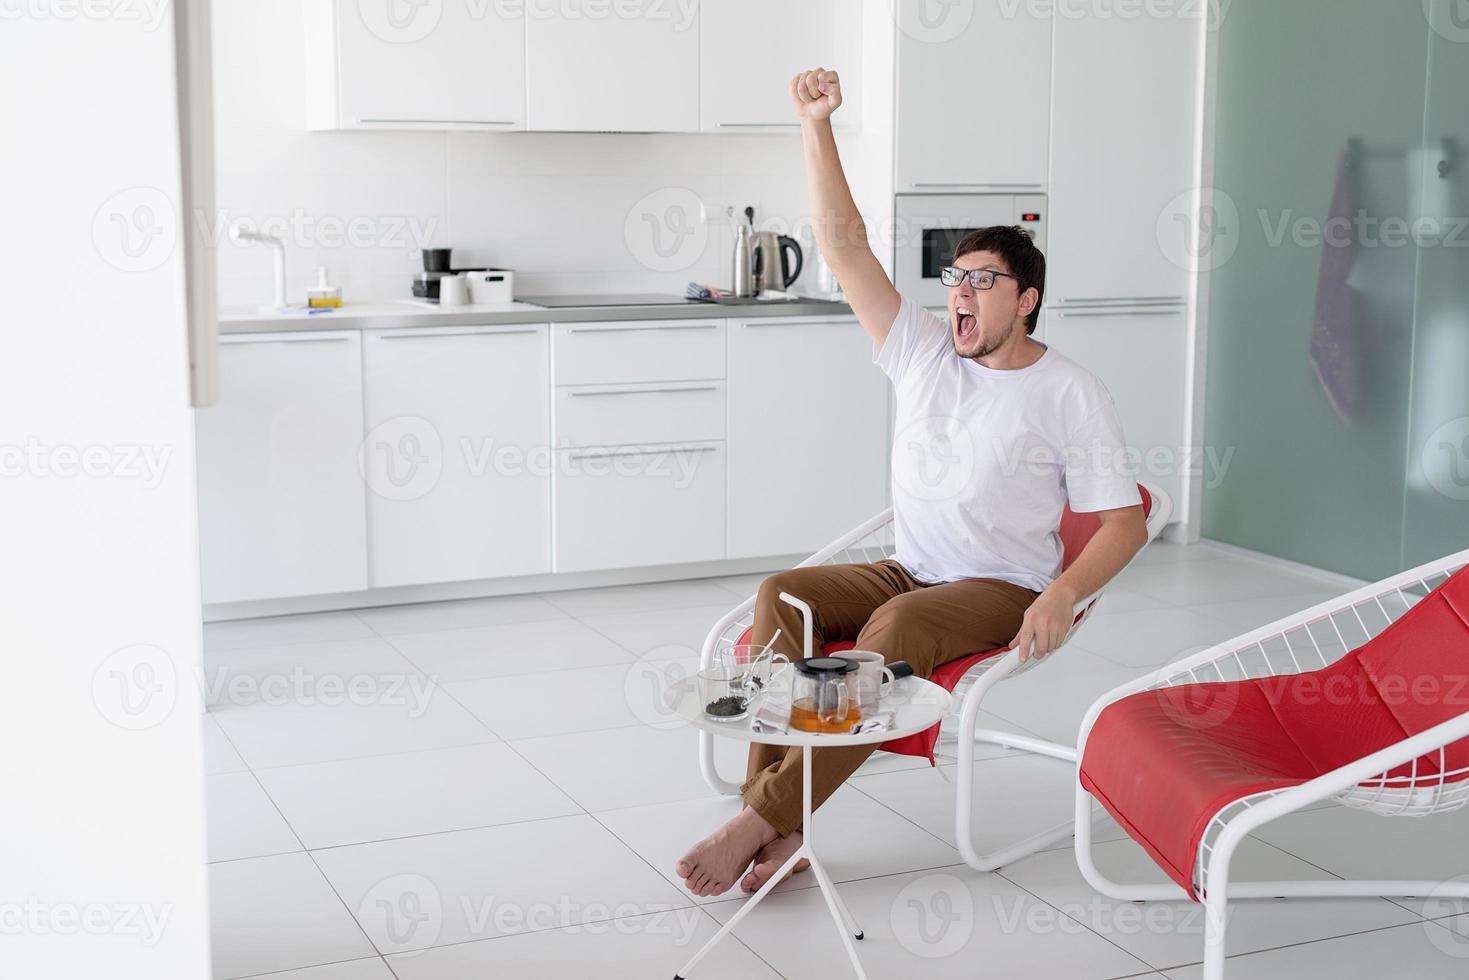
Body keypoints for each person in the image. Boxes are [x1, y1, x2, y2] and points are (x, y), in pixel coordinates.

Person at [675, 67, 1149, 898]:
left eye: (981, 281)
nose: (958, 292)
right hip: (912, 565)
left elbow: (1123, 522)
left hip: (1001, 585)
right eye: (953, 278)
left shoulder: (1069, 390)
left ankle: (763, 820)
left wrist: (1061, 595)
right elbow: (844, 247)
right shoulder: (926, 352)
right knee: (784, 593)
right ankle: (782, 822)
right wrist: (815, 124)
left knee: (893, 624)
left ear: (1026, 300)